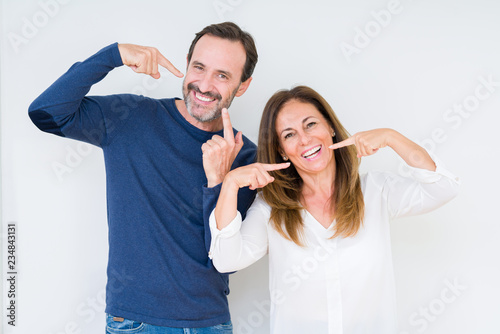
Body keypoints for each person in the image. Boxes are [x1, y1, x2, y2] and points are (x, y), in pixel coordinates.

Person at [28, 22, 258, 333]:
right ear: (187, 63)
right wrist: (113, 55)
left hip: (210, 323)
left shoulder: (244, 156)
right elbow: (46, 112)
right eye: (199, 67)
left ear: (242, 85)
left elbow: (219, 255)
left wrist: (218, 181)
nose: (203, 85)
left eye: (222, 75)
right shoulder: (131, 116)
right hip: (136, 322)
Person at [207, 86, 460, 333]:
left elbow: (444, 187)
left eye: (310, 124)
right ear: (282, 151)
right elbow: (225, 259)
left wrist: (390, 136)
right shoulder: (272, 208)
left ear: (330, 127)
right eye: (289, 134)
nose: (305, 139)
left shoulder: (375, 191)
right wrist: (229, 184)